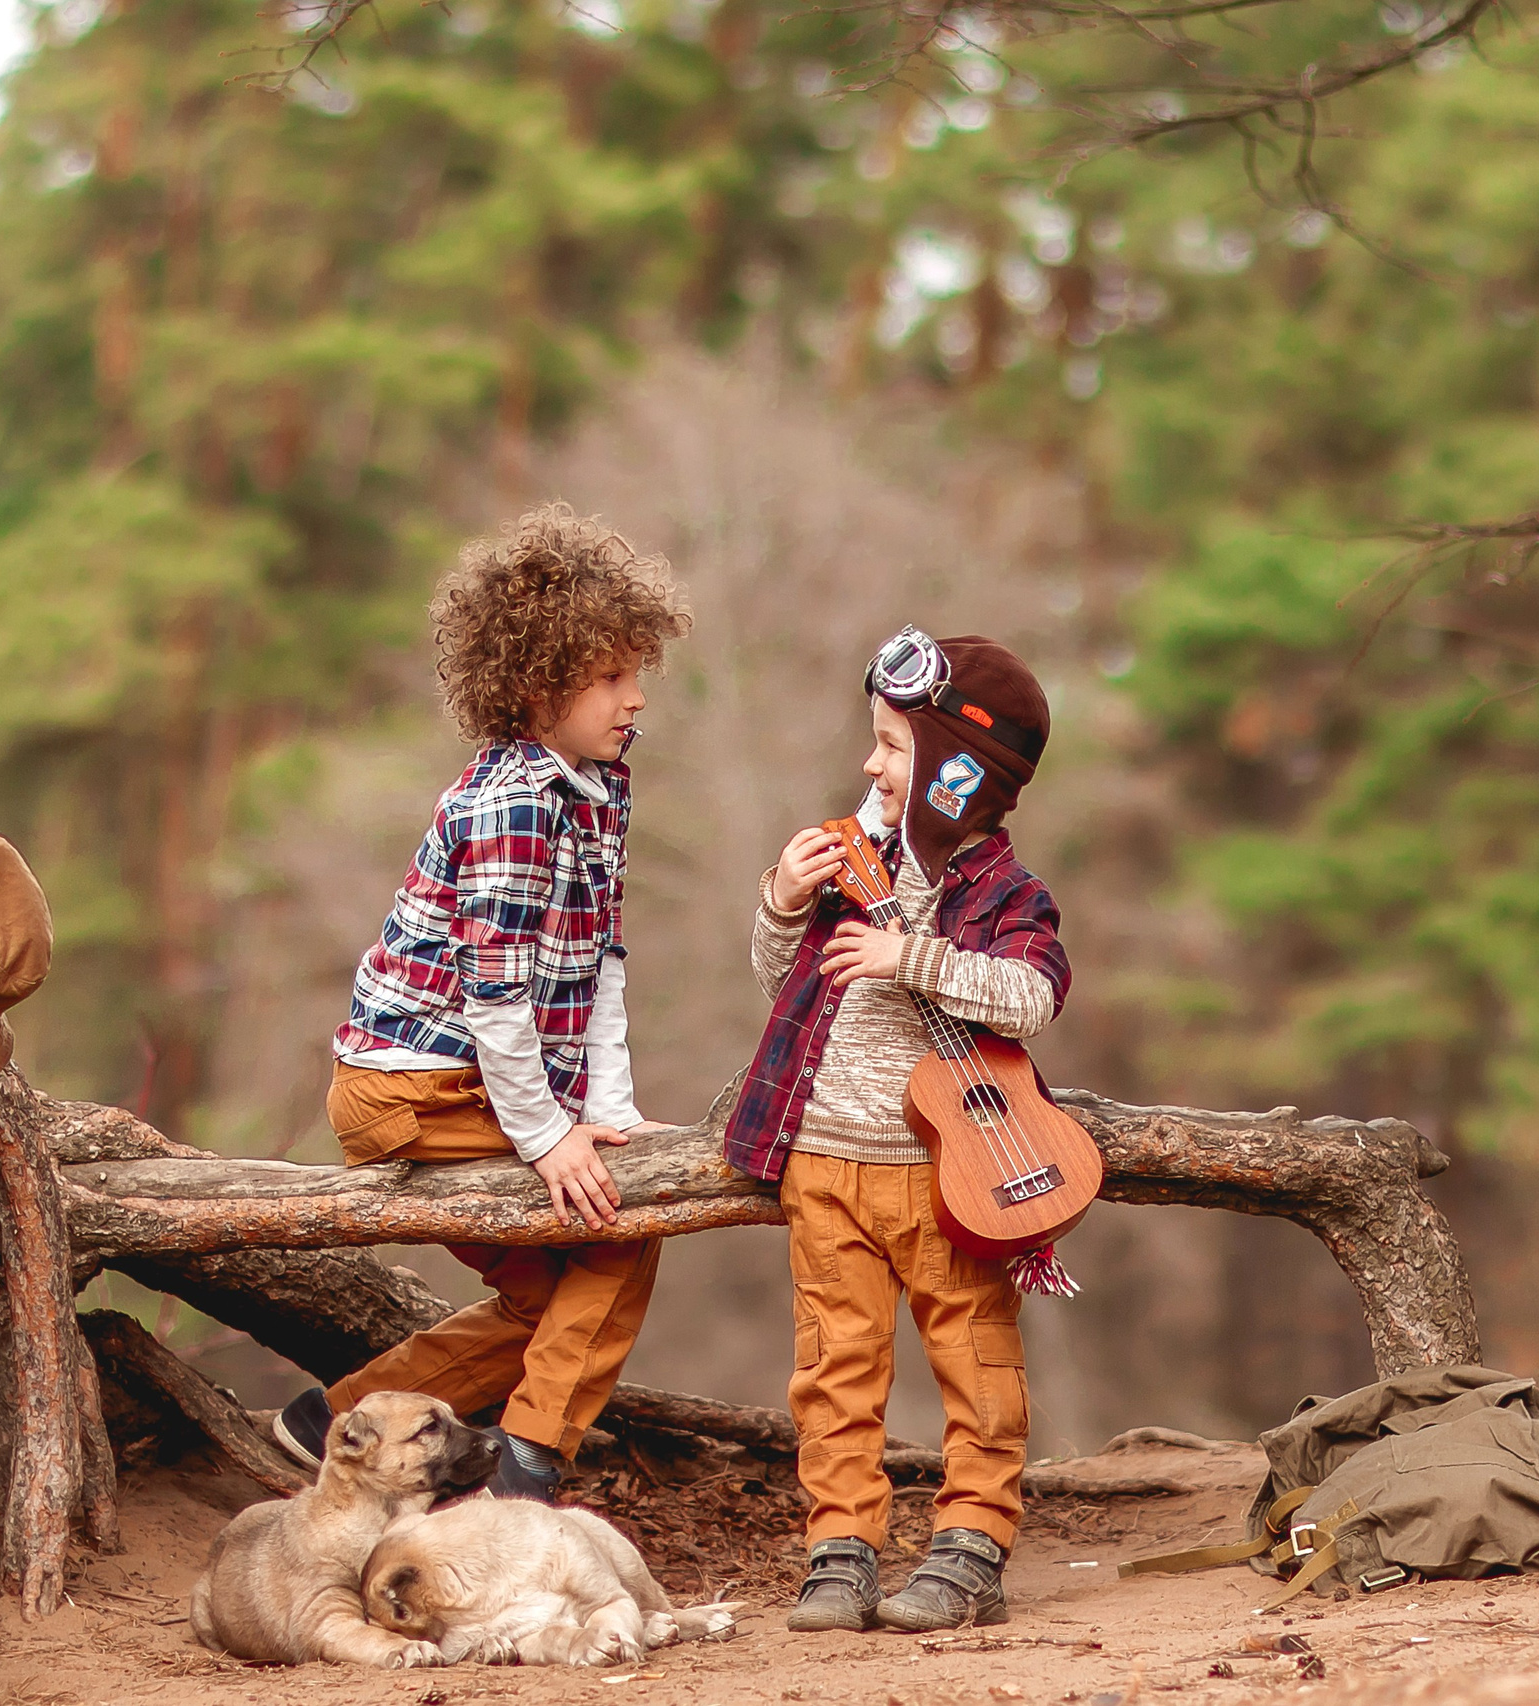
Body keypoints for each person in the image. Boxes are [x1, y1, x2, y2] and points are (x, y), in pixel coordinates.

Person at [270, 503, 691, 1503]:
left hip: (473, 1077)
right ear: (539, 682)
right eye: (611, 676)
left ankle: (335, 1424)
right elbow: (496, 992)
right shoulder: (512, 802)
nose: (636, 697)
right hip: (411, 1083)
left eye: (640, 673)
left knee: (557, 1292)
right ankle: (528, 1471)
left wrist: (608, 1113)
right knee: (615, 1235)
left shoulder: (594, 784)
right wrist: (549, 1140)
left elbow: (598, 964)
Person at [727, 628, 1071, 1632]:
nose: (871, 763)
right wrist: (781, 904)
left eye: (890, 744)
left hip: (950, 1171)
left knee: (975, 1357)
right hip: (824, 1161)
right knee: (832, 1363)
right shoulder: (848, 859)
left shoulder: (1000, 889)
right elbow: (781, 987)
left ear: (956, 776)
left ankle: (970, 1544)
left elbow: (1029, 996)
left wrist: (908, 955)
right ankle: (841, 1546)